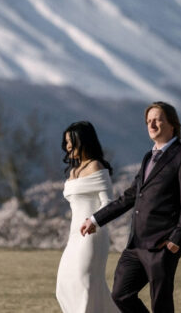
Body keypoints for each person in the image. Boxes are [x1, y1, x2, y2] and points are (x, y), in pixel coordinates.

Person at [80, 103, 181, 313]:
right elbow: (129, 197)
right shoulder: (148, 157)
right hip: (136, 245)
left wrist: (176, 240)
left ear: (172, 124)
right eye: (148, 121)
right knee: (120, 294)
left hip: (163, 245)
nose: (151, 124)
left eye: (157, 119)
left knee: (161, 304)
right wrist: (95, 219)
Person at [56, 121, 118, 313]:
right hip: (74, 236)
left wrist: (94, 221)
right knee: (64, 286)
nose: (68, 146)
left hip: (92, 236)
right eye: (66, 142)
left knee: (85, 286)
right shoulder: (73, 171)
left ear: (84, 141)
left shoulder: (96, 166)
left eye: (72, 141)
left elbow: (110, 203)